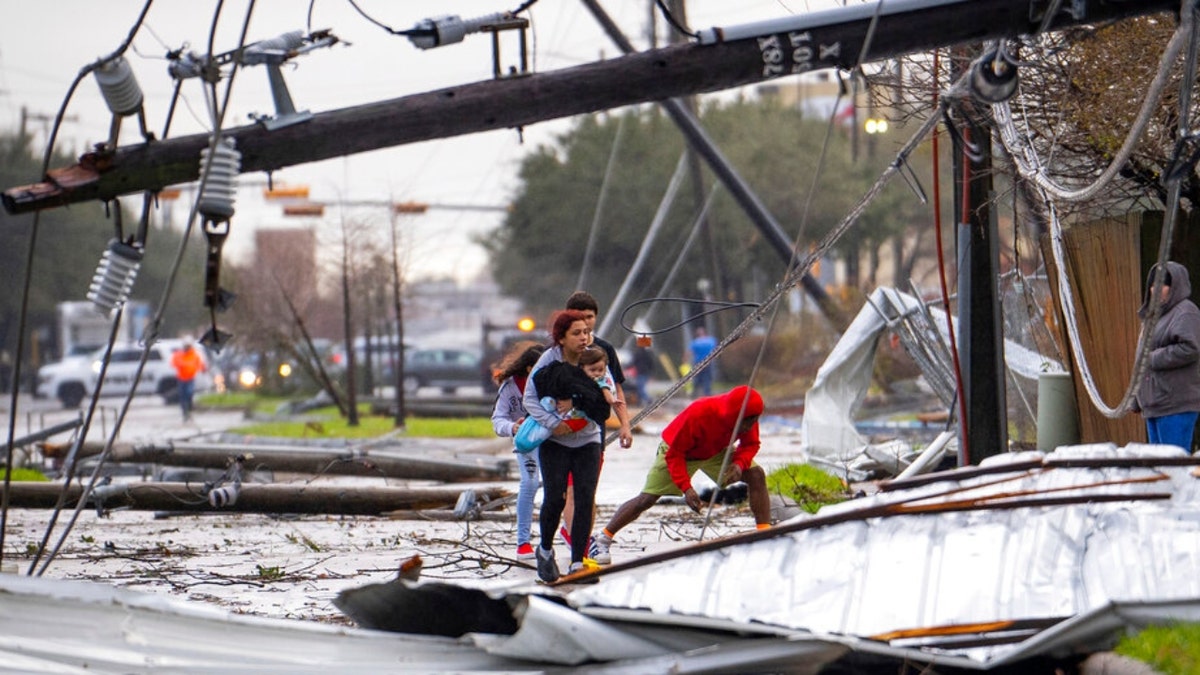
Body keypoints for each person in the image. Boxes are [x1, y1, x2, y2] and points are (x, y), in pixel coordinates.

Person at [588, 386, 772, 565]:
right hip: (678, 452)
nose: (751, 426)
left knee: (756, 474)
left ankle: (763, 533)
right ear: (734, 415)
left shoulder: (748, 418)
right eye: (748, 421)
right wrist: (686, 488)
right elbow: (674, 454)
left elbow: (750, 445)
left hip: (715, 450)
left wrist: (739, 465)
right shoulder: (700, 413)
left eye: (755, 420)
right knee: (646, 499)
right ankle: (602, 538)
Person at [523, 310, 607, 582]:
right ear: (561, 338)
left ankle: (576, 562)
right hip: (555, 441)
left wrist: (579, 404)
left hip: (588, 440)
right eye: (576, 333)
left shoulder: (594, 359)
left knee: (585, 498)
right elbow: (530, 399)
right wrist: (552, 423)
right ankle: (545, 551)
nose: (583, 338)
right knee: (555, 497)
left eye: (586, 332)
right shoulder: (548, 362)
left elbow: (607, 396)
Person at [559, 291, 633, 548]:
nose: (586, 324)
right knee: (569, 491)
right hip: (562, 431)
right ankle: (574, 540)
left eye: (590, 317)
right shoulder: (559, 351)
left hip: (594, 431)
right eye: (580, 318)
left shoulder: (605, 350)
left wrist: (625, 424)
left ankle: (580, 538)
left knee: (587, 490)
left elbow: (616, 389)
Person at [1133, 261, 1200, 453]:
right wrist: (1136, 397)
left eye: (1163, 284)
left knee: (1173, 465)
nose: (1156, 289)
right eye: (1153, 284)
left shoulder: (1185, 312)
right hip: (1154, 404)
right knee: (1159, 464)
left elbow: (1190, 348)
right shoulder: (1152, 317)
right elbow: (1140, 358)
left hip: (1175, 404)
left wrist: (1154, 358)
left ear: (1174, 286)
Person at [489, 341, 545, 561]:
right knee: (529, 483)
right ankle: (523, 542)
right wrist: (513, 428)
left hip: (552, 442)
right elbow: (497, 419)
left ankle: (552, 539)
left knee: (556, 489)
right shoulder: (510, 386)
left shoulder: (551, 383)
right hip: (526, 443)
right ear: (529, 368)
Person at [170, 342, 206, 422]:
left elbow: (199, 364)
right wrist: (180, 364)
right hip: (181, 378)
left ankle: (189, 409)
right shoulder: (179, 355)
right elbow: (173, 363)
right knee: (182, 396)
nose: (186, 349)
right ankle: (185, 412)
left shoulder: (194, 355)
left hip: (190, 378)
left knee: (189, 393)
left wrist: (203, 368)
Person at [688, 325, 718, 398]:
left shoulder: (695, 342)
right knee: (707, 379)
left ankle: (694, 394)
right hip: (708, 362)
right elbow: (716, 349)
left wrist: (686, 361)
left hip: (698, 363)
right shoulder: (711, 340)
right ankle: (707, 395)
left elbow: (690, 352)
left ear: (697, 334)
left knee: (697, 379)